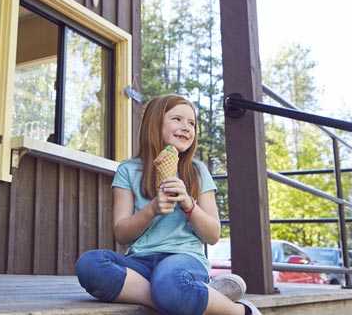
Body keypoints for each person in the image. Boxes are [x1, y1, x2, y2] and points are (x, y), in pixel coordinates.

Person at [75, 94, 261, 315]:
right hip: (140, 263)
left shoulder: (197, 171)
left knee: (170, 281)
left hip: (184, 259)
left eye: (192, 123)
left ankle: (241, 312)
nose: (186, 127)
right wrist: (152, 209)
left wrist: (188, 203)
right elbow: (121, 234)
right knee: (90, 264)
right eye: (177, 119)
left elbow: (212, 235)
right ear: (155, 122)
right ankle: (196, 295)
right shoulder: (128, 170)